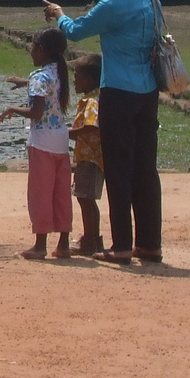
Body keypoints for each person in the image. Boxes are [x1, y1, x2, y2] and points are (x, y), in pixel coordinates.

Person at [43, 0, 162, 264]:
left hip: (119, 91)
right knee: (145, 168)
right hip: (148, 89)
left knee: (119, 169)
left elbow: (76, 30)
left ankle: (122, 245)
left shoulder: (112, 5)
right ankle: (150, 243)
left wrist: (59, 13)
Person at [0, 27, 72, 260]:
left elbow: (36, 112)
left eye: (32, 47)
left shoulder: (40, 77)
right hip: (60, 140)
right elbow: (46, 90)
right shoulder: (59, 72)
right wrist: (25, 82)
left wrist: (12, 109)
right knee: (61, 193)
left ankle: (40, 245)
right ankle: (64, 243)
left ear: (41, 49)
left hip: (42, 142)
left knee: (41, 192)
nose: (30, 51)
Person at [69, 53, 105, 256]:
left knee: (84, 198)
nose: (74, 79)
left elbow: (91, 126)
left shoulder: (91, 102)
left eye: (77, 75)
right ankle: (94, 239)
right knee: (87, 199)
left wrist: (69, 133)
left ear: (89, 79)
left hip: (89, 158)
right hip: (91, 157)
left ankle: (90, 240)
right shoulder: (94, 98)